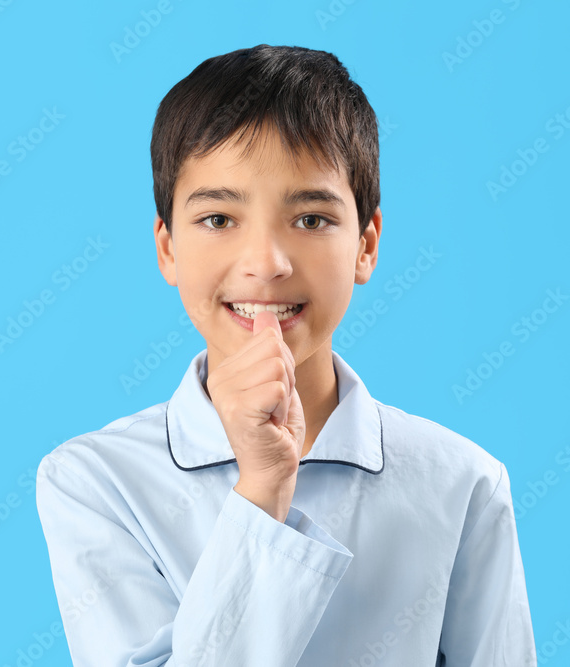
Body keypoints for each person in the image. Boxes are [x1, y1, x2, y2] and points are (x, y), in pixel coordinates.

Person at [36, 44, 537, 666]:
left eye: (310, 219)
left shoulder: (462, 483)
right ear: (167, 249)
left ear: (366, 245)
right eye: (219, 219)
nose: (266, 263)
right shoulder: (96, 480)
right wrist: (263, 490)